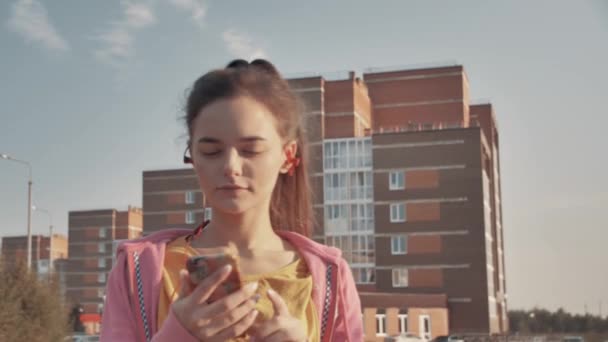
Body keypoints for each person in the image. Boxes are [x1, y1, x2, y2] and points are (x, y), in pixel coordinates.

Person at [100, 59, 363, 342]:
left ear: (288, 156)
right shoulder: (140, 270)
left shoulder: (328, 278)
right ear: (193, 156)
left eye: (251, 150)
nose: (230, 166)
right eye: (211, 151)